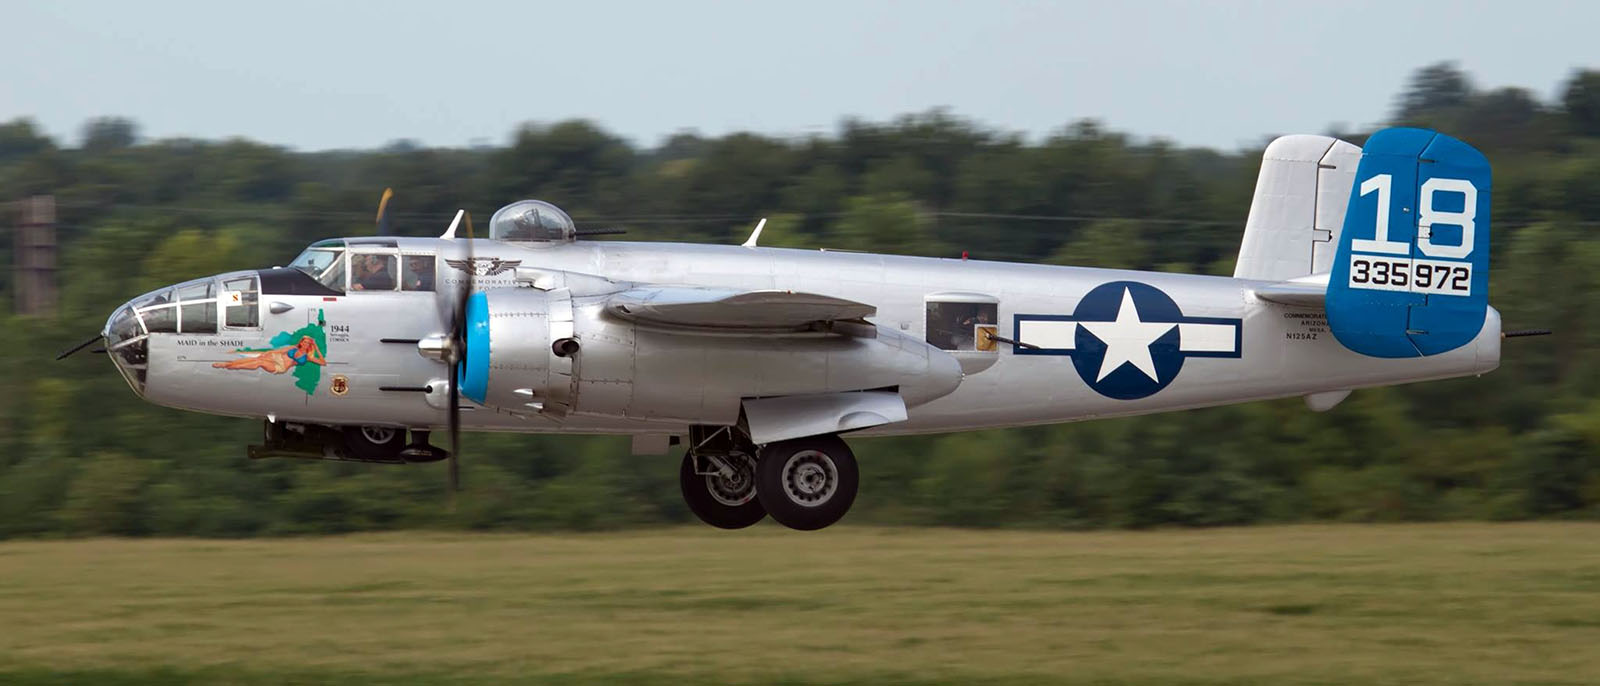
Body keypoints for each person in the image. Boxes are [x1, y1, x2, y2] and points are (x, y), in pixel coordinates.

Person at [213, 335, 325, 373]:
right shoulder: (293, 348)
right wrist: (267, 353)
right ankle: (229, 364)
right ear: (301, 342)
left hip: (281, 366)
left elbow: (323, 363)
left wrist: (316, 347)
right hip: (277, 357)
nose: (305, 344)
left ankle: (230, 366)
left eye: (308, 343)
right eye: (304, 342)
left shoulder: (308, 357)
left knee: (258, 362)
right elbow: (278, 351)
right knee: (258, 358)